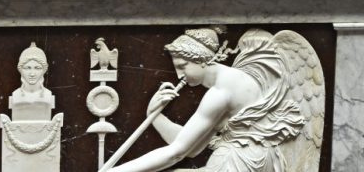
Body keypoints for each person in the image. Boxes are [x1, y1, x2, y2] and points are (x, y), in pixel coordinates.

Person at [109, 27, 305, 172]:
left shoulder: (220, 92)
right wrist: (155, 116)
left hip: (238, 163)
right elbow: (194, 147)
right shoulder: (237, 78)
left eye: (182, 65)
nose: (179, 75)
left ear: (201, 59)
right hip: (257, 160)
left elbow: (178, 152)